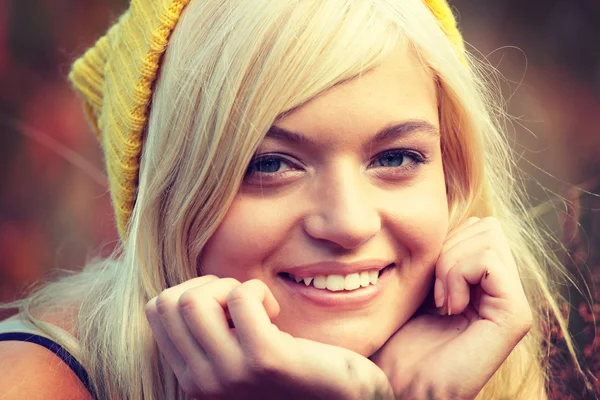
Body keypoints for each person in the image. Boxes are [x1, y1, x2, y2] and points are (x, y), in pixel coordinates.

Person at [0, 0, 589, 398]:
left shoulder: (490, 368)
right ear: (168, 196)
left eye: (395, 158)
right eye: (271, 165)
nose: (350, 223)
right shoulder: (31, 379)